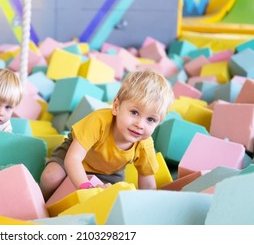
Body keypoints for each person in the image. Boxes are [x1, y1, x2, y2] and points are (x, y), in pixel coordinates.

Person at [39, 69, 175, 201]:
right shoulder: (99, 121)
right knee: (50, 177)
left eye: (150, 120)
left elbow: (148, 186)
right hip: (73, 155)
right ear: (116, 107)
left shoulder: (144, 144)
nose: (140, 124)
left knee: (114, 201)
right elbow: (73, 159)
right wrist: (87, 188)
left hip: (110, 174)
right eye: (134, 112)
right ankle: (42, 204)